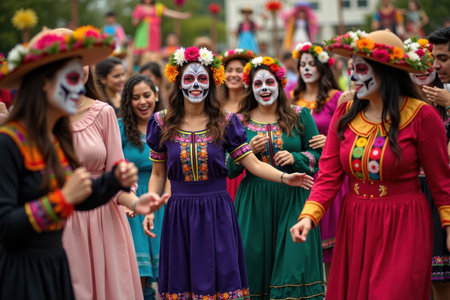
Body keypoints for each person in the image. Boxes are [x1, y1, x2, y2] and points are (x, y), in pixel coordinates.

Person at [290, 29, 450, 299]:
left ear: (385, 70)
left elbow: (442, 181)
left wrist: (448, 226)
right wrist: (308, 217)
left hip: (405, 222)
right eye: (352, 69)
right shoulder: (344, 113)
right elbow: (328, 175)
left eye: (361, 69)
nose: (352, 77)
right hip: (356, 221)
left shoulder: (423, 116)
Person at [146, 46, 314, 299]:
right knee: (184, 283)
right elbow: (158, 174)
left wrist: (284, 176)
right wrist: (150, 206)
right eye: (188, 78)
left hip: (217, 211)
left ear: (212, 83)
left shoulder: (226, 122)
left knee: (221, 281)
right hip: (179, 211)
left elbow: (253, 164)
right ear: (178, 82)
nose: (195, 85)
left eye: (202, 79)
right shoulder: (161, 122)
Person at [0, 26, 148, 300]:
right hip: (24, 273)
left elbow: (79, 196)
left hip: (56, 264)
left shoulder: (53, 137)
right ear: (44, 82)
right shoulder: (9, 142)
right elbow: (6, 227)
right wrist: (61, 199)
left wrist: (116, 181)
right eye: (69, 78)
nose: (78, 86)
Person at [228, 56, 324, 299]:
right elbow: (228, 169)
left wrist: (296, 159)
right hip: (254, 202)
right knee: (254, 266)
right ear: (249, 87)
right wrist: (247, 149)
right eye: (258, 84)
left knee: (293, 264)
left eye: (269, 82)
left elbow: (319, 156)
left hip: (294, 197)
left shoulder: (301, 115)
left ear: (280, 84)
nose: (264, 88)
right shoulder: (238, 121)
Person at [63, 52, 148, 299]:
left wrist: (136, 203)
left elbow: (117, 175)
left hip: (103, 220)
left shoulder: (103, 112)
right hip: (62, 217)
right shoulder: (42, 118)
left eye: (82, 62)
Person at [291, 42, 345, 283]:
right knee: (301, 243)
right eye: (302, 64)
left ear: (323, 66)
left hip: (328, 171)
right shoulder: (291, 95)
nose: (307, 68)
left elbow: (349, 132)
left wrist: (332, 139)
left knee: (331, 247)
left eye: (312, 63)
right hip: (299, 173)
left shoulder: (337, 98)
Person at [118, 74, 164, 300]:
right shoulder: (119, 129)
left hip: (163, 199)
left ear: (156, 94)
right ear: (128, 102)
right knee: (138, 271)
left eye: (147, 95)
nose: (142, 102)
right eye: (135, 98)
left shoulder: (168, 125)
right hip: (131, 203)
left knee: (168, 269)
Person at [421, 27, 450, 300]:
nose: (435, 66)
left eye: (442, 58)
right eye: (433, 58)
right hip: (433, 197)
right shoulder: (430, 95)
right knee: (438, 280)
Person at [220, 49, 254, 201]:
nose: (233, 75)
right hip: (221, 174)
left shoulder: (255, 106)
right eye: (229, 70)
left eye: (239, 70)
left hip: (248, 172)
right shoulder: (215, 105)